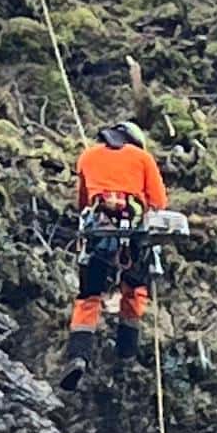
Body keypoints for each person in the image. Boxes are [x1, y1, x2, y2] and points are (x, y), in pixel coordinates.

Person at [63, 119, 169, 388]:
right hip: (133, 237)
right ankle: (126, 355)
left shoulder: (87, 156)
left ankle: (78, 357)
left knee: (89, 296)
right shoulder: (143, 158)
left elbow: (83, 202)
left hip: (98, 235)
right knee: (134, 290)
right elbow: (158, 202)